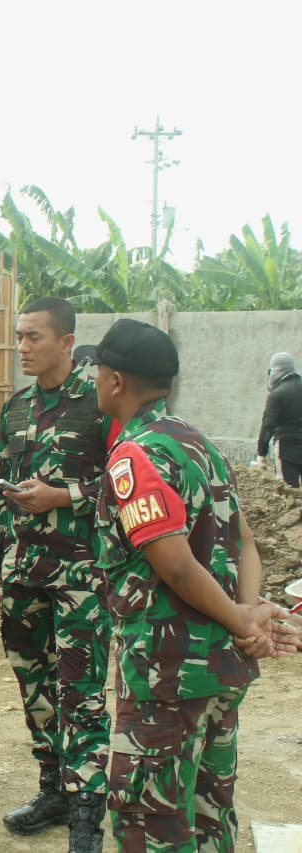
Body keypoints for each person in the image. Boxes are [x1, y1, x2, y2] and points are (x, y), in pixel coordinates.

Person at [91, 318, 297, 851]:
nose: (94, 380)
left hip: (168, 673)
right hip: (222, 663)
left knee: (149, 819)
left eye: (97, 371)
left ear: (116, 381)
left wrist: (243, 618)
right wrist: (246, 617)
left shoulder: (135, 456)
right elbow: (244, 542)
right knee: (209, 813)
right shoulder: (200, 444)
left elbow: (177, 566)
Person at [0, 297, 112, 852]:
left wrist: (65, 495)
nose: (22, 347)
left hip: (82, 578)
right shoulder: (14, 410)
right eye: (20, 337)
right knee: (35, 687)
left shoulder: (101, 404)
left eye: (34, 337)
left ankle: (86, 817)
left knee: (82, 695)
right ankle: (53, 788)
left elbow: (131, 482)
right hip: (23, 575)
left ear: (67, 342)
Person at [255, 351, 302, 486]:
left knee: (287, 490)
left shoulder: (277, 394)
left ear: (275, 371)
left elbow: (268, 425)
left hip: (286, 449)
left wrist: (261, 453)